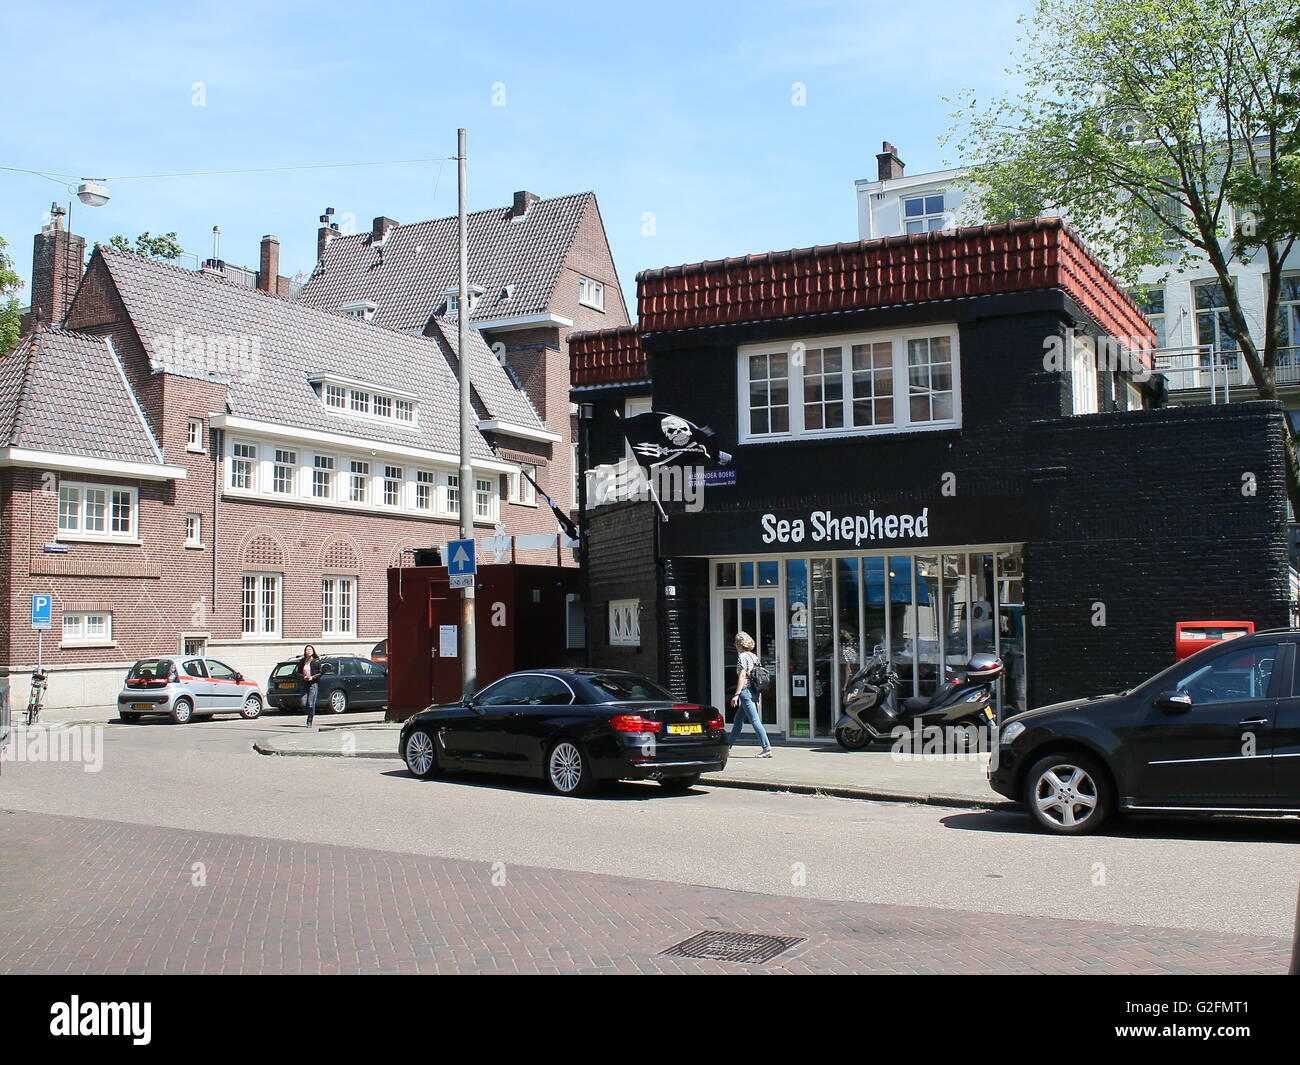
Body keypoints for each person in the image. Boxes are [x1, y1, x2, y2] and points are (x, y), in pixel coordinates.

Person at [729, 631, 772, 757]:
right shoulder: (754, 657)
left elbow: (742, 676)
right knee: (738, 720)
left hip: (746, 691)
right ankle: (728, 746)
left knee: (754, 720)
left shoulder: (742, 657)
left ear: (739, 644)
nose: (735, 645)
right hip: (754, 691)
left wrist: (737, 694)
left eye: (736, 643)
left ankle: (767, 748)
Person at [301, 645, 321, 728]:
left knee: (310, 704)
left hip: (313, 684)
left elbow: (320, 673)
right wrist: (303, 677)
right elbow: (297, 672)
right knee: (303, 702)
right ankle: (309, 713)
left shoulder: (316, 661)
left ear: (313, 651)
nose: (308, 651)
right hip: (304, 683)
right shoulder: (302, 661)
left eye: (310, 649)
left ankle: (310, 719)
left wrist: (312, 677)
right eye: (307, 650)